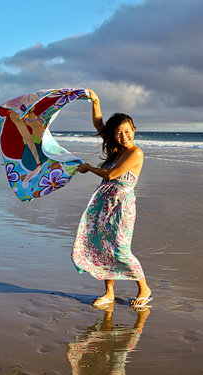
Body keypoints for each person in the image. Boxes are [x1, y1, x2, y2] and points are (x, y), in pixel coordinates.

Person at [71, 90, 152, 308]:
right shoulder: (117, 150)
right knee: (104, 247)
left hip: (122, 207)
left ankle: (144, 288)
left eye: (126, 131)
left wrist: (89, 168)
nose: (123, 136)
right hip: (104, 205)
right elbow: (99, 125)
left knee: (121, 250)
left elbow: (112, 175)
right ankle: (109, 293)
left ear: (133, 129)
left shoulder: (136, 153)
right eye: (118, 133)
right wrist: (95, 101)